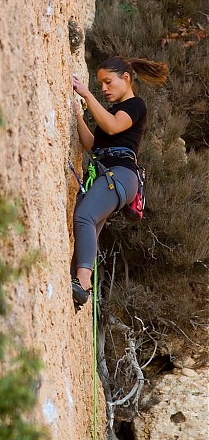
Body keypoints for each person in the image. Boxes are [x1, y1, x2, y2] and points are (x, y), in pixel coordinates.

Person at [70, 55, 168, 307]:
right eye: (100, 84)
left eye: (108, 82)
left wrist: (86, 94)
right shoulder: (112, 112)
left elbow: (113, 127)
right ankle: (77, 286)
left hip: (121, 174)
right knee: (88, 226)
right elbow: (93, 145)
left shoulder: (136, 105)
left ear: (126, 78)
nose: (103, 88)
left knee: (84, 217)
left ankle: (83, 282)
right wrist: (75, 114)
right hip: (109, 173)